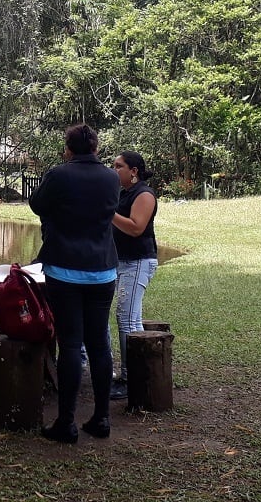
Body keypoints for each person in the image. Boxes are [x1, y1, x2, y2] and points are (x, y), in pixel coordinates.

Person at [29, 123, 120, 443]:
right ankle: (102, 418)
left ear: (69, 148)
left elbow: (37, 204)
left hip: (65, 269)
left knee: (70, 343)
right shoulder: (112, 177)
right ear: (95, 147)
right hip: (103, 270)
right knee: (98, 343)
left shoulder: (59, 174)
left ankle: (66, 423)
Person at [108, 151, 159, 401]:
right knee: (129, 318)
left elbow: (137, 227)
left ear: (134, 171)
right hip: (119, 262)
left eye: (119, 166)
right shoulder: (123, 193)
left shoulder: (144, 194)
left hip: (138, 261)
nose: (114, 170)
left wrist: (108, 213)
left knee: (127, 318)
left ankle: (130, 379)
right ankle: (132, 374)